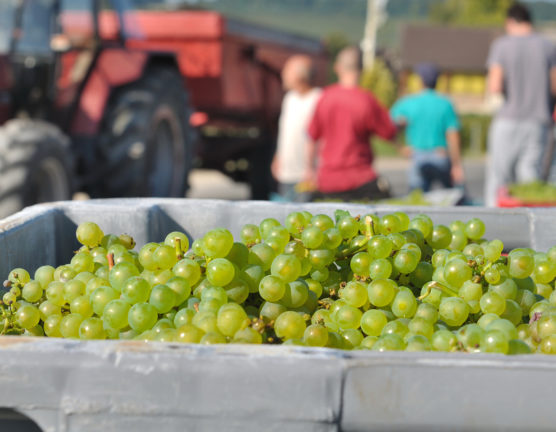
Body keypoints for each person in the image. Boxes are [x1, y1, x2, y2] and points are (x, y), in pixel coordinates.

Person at [485, 2, 556, 207]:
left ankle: (493, 230)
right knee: (530, 180)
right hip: (539, 122)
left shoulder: (502, 45)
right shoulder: (548, 46)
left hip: (508, 120)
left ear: (510, 22)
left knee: (499, 179)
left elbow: (495, 86)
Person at [305, 46, 395, 201]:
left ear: (337, 68)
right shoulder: (367, 100)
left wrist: (309, 170)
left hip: (328, 181)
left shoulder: (324, 97)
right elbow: (388, 133)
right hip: (361, 180)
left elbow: (311, 137)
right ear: (362, 69)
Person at [390, 63, 464, 192]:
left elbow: (389, 127)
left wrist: (400, 147)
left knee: (417, 200)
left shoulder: (407, 103)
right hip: (440, 154)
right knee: (453, 198)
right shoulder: (445, 103)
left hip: (417, 155)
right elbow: (453, 136)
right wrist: (456, 165)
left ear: (420, 81)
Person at [271, 55, 321, 201]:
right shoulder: (289, 98)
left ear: (301, 75)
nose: (283, 74)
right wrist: (278, 156)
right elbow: (285, 132)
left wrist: (313, 169)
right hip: (286, 172)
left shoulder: (318, 99)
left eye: (287, 71)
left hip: (305, 174)